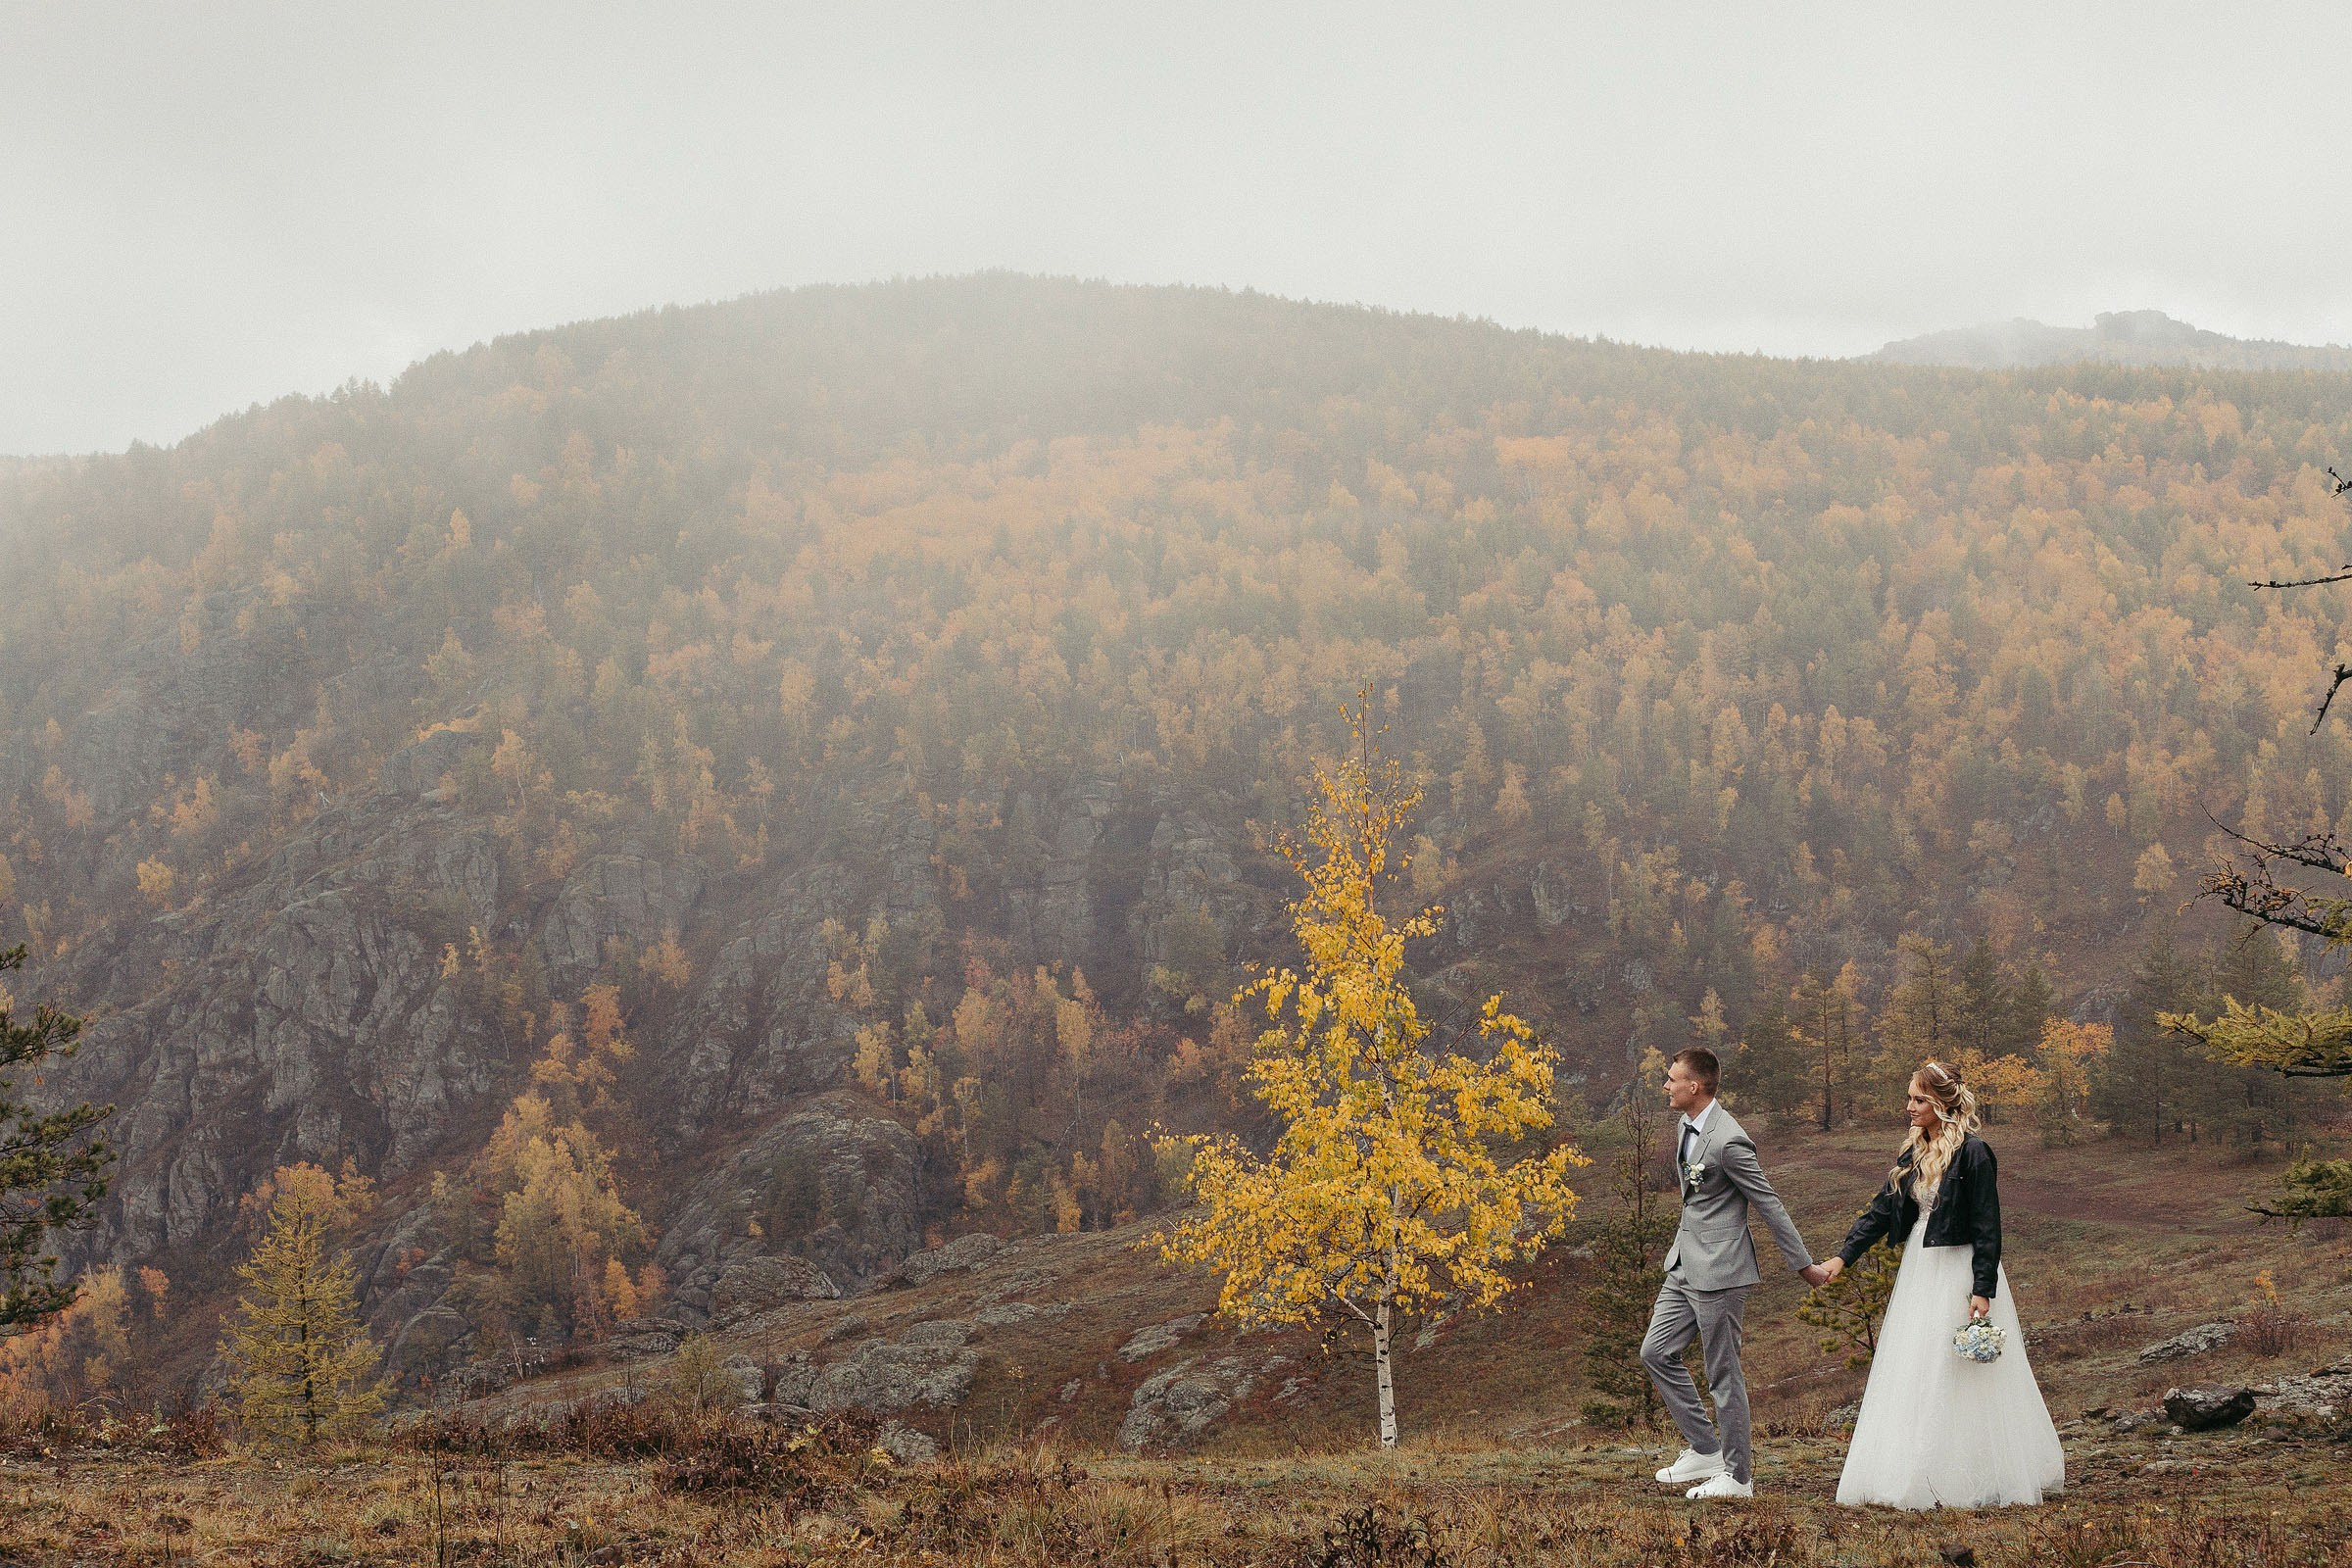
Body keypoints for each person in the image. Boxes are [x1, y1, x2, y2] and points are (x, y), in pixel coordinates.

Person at [1818, 1059, 2065, 1509]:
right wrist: (1844, 1256)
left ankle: (1973, 1473)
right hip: (1920, 1267)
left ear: (1942, 1103)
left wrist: (1982, 1290)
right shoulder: (1914, 1153)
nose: (1908, 1106)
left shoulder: (1975, 1153)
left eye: (1918, 1099)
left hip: (1960, 1268)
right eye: (1910, 1097)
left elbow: (1988, 1225)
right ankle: (1915, 1468)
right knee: (1916, 1365)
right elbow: (1881, 1210)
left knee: (1958, 1371)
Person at [1642, 1046, 1832, 1500]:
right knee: (1655, 1352)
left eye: (1672, 1079)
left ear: (1696, 1086)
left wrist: (1803, 1265)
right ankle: (1705, 1448)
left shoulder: (1729, 1141)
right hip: (1684, 1263)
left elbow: (1768, 1203)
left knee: (1723, 1372)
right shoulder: (1685, 1126)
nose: (1666, 1086)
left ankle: (1739, 1477)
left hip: (1722, 1271)